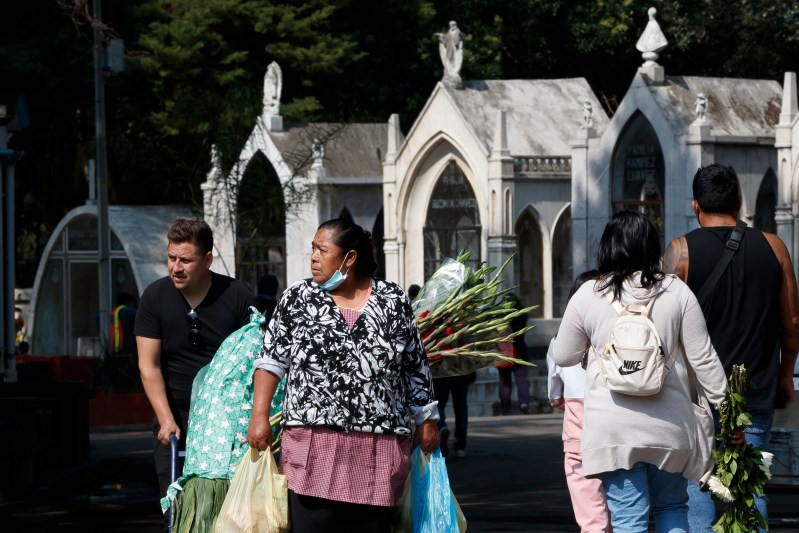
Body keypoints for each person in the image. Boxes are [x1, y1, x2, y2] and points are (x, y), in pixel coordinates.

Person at [246, 218, 439, 532]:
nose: (313, 257)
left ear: (350, 258)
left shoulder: (393, 301)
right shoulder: (298, 299)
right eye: (313, 249)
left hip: (376, 453)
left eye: (322, 250)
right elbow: (271, 361)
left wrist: (427, 419)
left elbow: (415, 366)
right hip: (313, 450)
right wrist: (259, 415)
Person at [553, 210, 728, 532]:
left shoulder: (589, 294)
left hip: (613, 429)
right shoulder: (676, 292)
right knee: (673, 507)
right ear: (651, 248)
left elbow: (563, 355)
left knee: (627, 519)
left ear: (607, 247)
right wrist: (730, 415)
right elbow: (704, 359)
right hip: (670, 425)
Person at [662, 163, 799, 531]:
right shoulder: (775, 247)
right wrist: (786, 375)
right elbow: (792, 324)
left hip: (698, 396)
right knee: (751, 485)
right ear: (739, 201)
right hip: (756, 390)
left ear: (695, 205)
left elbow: (664, 328)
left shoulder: (680, 252)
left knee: (701, 484)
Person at [135, 219, 255, 518]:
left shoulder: (236, 295)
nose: (176, 267)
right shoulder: (154, 297)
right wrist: (165, 419)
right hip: (175, 416)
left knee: (223, 509)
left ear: (207, 260)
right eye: (172, 258)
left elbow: (251, 360)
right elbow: (148, 365)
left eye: (186, 260)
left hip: (225, 419)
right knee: (176, 511)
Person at [547, 270, 611, 533]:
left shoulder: (558, 343)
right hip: (613, 431)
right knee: (624, 508)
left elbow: (554, 394)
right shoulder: (615, 338)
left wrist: (560, 397)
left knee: (590, 513)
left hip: (578, 437)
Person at [498, 292, 530, 415]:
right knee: (522, 379)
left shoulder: (501, 318)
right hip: (520, 350)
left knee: (505, 381)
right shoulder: (522, 315)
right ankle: (524, 402)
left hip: (505, 352)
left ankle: (506, 407)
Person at [434, 372, 471, 458]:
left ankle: (441, 426)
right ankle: (460, 447)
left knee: (439, 403)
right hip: (462, 367)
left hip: (442, 366)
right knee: (461, 406)